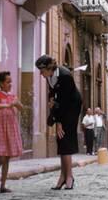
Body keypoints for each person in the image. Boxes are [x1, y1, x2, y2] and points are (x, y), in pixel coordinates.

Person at [35, 55, 82, 190]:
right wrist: (51, 102)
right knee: (61, 141)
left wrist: (59, 122)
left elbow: (66, 101)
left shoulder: (65, 75)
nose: (40, 73)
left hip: (72, 107)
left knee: (65, 139)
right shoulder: (50, 76)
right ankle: (62, 176)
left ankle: (69, 177)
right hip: (61, 107)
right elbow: (53, 92)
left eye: (41, 70)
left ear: (49, 68)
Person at [0, 71, 23, 193]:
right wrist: (8, 105)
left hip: (11, 127)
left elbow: (21, 107)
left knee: (7, 157)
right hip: (1, 127)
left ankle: (2, 185)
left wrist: (17, 104)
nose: (10, 84)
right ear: (1, 83)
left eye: (11, 81)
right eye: (8, 82)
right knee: (1, 156)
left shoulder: (12, 95)